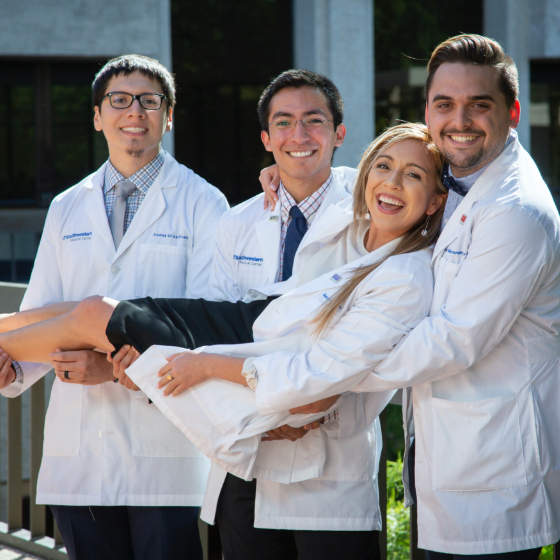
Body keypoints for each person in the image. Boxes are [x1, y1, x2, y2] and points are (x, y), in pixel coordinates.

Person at [0, 123, 446, 560]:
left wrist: (208, 365)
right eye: (384, 167)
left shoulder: (404, 275)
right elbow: (337, 176)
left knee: (96, 314)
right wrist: (280, 172)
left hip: (255, 362)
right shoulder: (349, 221)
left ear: (435, 200)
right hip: (252, 325)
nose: (392, 182)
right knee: (90, 309)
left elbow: (316, 385)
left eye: (414, 175)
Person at [252, 34, 560, 559]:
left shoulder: (516, 211)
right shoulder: (457, 183)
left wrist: (326, 378)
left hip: (494, 473)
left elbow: (452, 341)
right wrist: (286, 177)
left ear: (511, 111)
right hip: (445, 457)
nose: (459, 119)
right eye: (444, 104)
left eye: (478, 105)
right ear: (428, 110)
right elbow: (387, 182)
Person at [0, 54, 229, 560]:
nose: (135, 111)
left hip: (166, 453)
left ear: (169, 117)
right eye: (119, 100)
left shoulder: (204, 203)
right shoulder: (67, 206)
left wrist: (110, 367)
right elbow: (40, 314)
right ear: (98, 115)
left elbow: (204, 324)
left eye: (150, 101)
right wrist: (12, 366)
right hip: (78, 454)